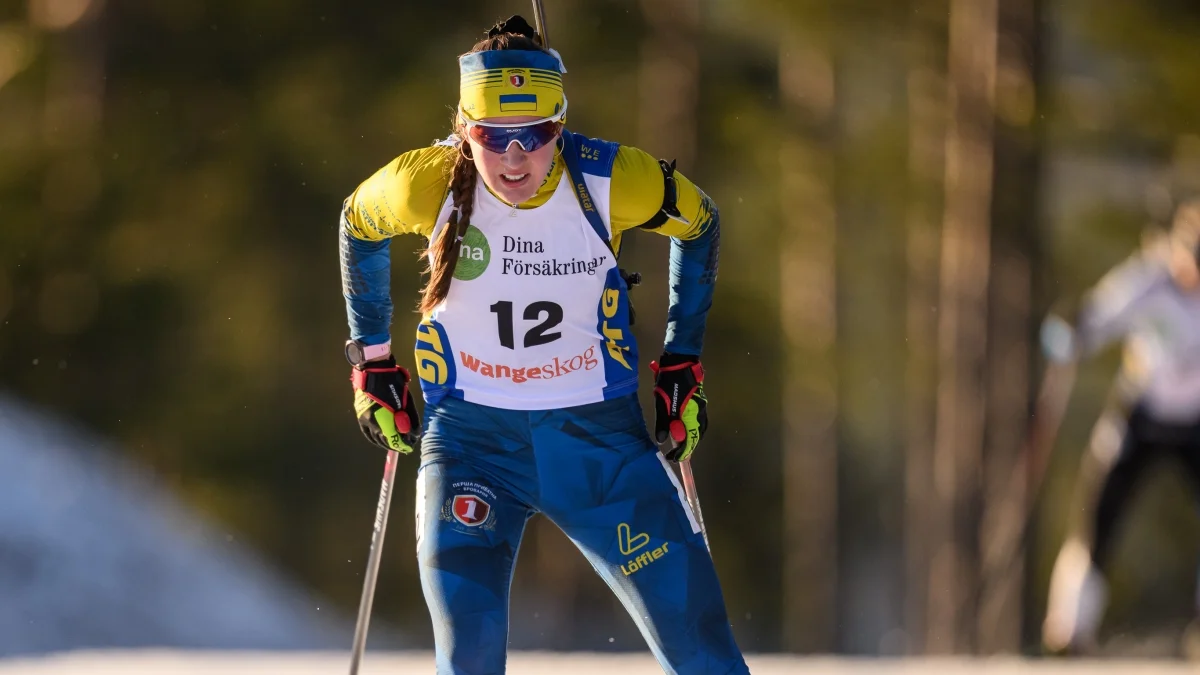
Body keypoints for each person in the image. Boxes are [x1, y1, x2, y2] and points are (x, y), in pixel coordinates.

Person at [337, 16, 748, 675]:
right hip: (473, 446)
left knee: (703, 652)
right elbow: (357, 221)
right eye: (492, 137)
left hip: (599, 449)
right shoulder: (429, 183)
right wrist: (373, 360)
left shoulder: (610, 179)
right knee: (467, 655)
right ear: (463, 127)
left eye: (536, 135)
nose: (515, 157)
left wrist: (681, 358)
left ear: (561, 121)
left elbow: (699, 223)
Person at [1040, 198, 1200, 654]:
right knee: (1097, 516)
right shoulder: (1148, 280)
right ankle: (1070, 628)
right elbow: (1098, 315)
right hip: (1142, 415)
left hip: (1195, 423)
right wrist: (1072, 332)